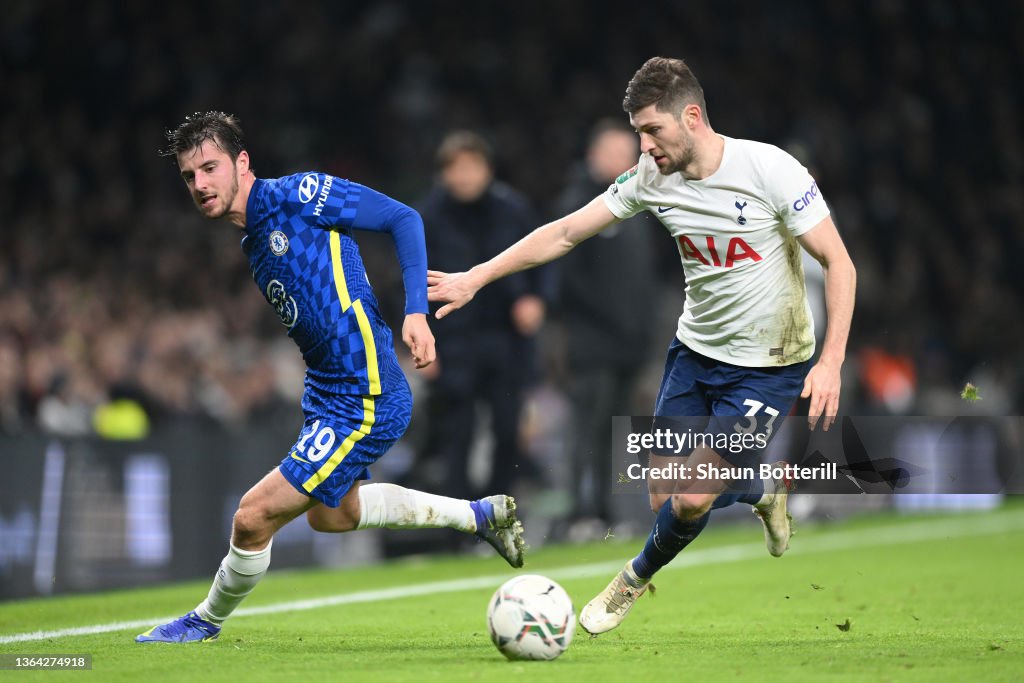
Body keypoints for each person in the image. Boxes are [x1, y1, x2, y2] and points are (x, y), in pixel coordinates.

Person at [428, 57, 856, 635]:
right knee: (662, 495)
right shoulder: (652, 178)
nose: (644, 145)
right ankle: (761, 489)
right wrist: (476, 277)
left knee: (691, 499)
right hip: (695, 353)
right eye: (638, 132)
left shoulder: (770, 170)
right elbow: (566, 231)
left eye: (652, 130)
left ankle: (630, 579)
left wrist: (830, 361)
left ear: (693, 116)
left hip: (770, 365)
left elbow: (838, 262)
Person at [136, 112, 525, 644]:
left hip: (366, 395)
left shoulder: (297, 194)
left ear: (241, 163)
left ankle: (205, 620)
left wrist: (415, 311)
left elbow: (404, 218)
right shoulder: (252, 238)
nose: (201, 184)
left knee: (252, 517)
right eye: (189, 176)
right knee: (331, 516)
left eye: (210, 168)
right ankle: (479, 516)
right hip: (327, 393)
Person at [417, 131, 548, 499]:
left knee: (509, 429)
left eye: (472, 167)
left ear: (489, 169)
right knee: (456, 436)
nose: (464, 176)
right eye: (455, 168)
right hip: (451, 339)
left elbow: (542, 260)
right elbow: (407, 282)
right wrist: (421, 339)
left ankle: (498, 508)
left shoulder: (514, 209)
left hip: (507, 336)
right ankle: (459, 521)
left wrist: (536, 299)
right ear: (442, 173)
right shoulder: (425, 217)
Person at [553, 119, 659, 532]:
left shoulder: (638, 205)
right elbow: (567, 280)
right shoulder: (577, 203)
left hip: (628, 346)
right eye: (612, 153)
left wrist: (640, 329)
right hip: (592, 344)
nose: (621, 160)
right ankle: (580, 514)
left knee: (614, 432)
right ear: (592, 156)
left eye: (626, 153)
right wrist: (611, 322)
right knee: (587, 430)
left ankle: (607, 513)